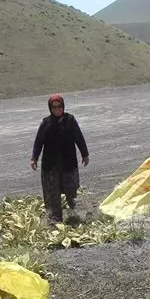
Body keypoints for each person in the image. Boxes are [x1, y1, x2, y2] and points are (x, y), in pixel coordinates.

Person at [31, 94, 89, 223]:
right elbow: (38, 142)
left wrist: (85, 154)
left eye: (59, 106)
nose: (57, 109)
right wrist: (34, 158)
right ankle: (55, 221)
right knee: (52, 194)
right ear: (50, 108)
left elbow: (79, 138)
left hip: (68, 164)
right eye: (54, 107)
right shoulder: (46, 123)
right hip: (50, 166)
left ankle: (75, 217)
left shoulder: (70, 120)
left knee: (72, 191)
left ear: (63, 106)